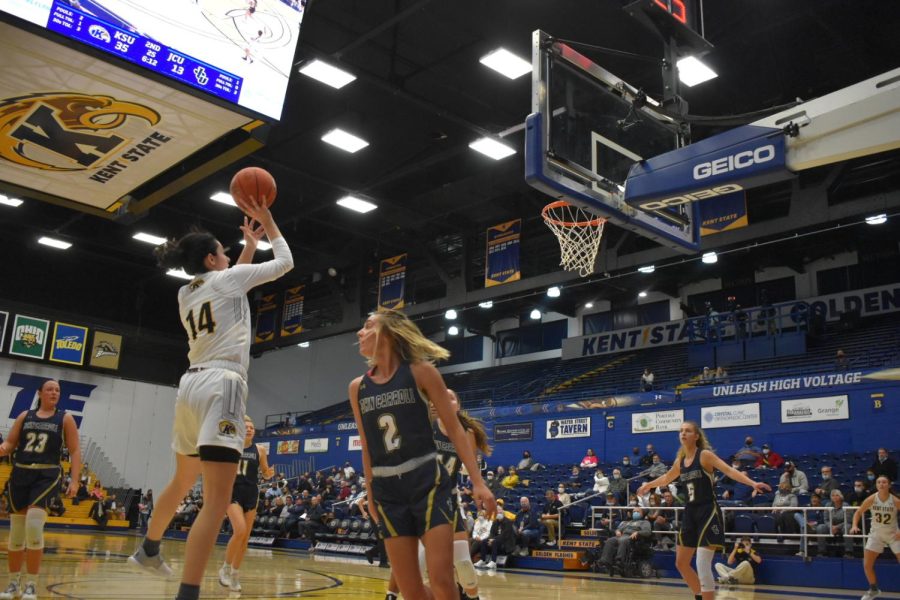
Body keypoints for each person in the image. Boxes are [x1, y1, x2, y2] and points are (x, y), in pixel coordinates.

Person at [128, 195, 293, 600]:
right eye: (224, 250)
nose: (228, 255)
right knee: (216, 502)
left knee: (183, 480)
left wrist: (248, 247)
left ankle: (149, 548)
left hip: (190, 385)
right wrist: (267, 220)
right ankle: (189, 592)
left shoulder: (187, 293)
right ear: (211, 259)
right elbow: (285, 262)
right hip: (224, 384)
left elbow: (228, 281)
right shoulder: (226, 280)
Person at [348, 308, 495, 600]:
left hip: (427, 482)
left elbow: (455, 429)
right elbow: (366, 446)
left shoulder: (420, 371)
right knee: (410, 590)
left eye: (367, 326)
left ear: (388, 333)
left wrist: (478, 482)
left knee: (442, 580)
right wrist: (370, 490)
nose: (359, 333)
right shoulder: (357, 387)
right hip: (388, 489)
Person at [637, 421, 770, 600]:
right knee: (681, 563)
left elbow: (729, 471)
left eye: (688, 431)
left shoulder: (705, 455)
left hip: (708, 511)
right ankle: (700, 595)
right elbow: (667, 478)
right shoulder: (680, 461)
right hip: (690, 512)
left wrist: (753, 483)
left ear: (696, 436)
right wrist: (648, 485)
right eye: (681, 431)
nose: (683, 433)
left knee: (702, 562)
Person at [0, 379, 81, 600]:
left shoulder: (65, 418)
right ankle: (13, 583)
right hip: (20, 473)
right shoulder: (24, 416)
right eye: (50, 389)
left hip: (47, 475)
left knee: (34, 526)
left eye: (57, 390)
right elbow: (9, 445)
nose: (54, 392)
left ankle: (32, 585)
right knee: (16, 535)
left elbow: (74, 451)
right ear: (40, 393)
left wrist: (74, 481)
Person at [431, 390, 491, 600]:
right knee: (423, 564)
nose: (447, 401)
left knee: (464, 562)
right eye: (442, 397)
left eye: (452, 398)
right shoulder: (426, 426)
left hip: (448, 499)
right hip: (421, 500)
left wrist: (478, 489)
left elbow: (471, 468)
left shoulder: (467, 432)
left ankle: (471, 597)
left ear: (458, 404)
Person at [218, 415, 274, 592]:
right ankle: (225, 568)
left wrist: (268, 474)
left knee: (244, 539)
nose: (250, 429)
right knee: (239, 529)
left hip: (251, 493)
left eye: (252, 427)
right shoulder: (231, 446)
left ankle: (235, 575)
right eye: (246, 426)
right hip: (233, 492)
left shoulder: (260, 450)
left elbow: (264, 472)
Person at [849, 475, 900, 600]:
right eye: (879, 482)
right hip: (876, 534)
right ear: (876, 485)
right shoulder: (872, 499)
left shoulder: (894, 500)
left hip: (893, 534)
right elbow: (858, 512)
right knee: (867, 564)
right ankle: (873, 589)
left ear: (889, 485)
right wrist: (854, 525)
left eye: (884, 482)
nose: (881, 484)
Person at [597, 506, 651, 573]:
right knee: (610, 540)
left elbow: (647, 532)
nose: (635, 513)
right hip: (622, 535)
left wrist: (638, 532)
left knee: (622, 540)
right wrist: (618, 531)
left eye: (637, 512)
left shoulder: (644, 522)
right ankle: (605, 560)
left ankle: (619, 561)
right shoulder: (627, 522)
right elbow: (619, 529)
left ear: (642, 514)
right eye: (634, 512)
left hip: (632, 537)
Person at [816, 489, 853, 558]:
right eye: (832, 495)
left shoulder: (846, 505)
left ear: (841, 496)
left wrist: (837, 527)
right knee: (820, 527)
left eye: (837, 495)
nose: (834, 497)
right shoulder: (828, 505)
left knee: (848, 527)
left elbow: (848, 520)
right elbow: (826, 519)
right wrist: (831, 526)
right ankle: (822, 551)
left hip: (843, 525)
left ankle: (849, 552)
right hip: (831, 526)